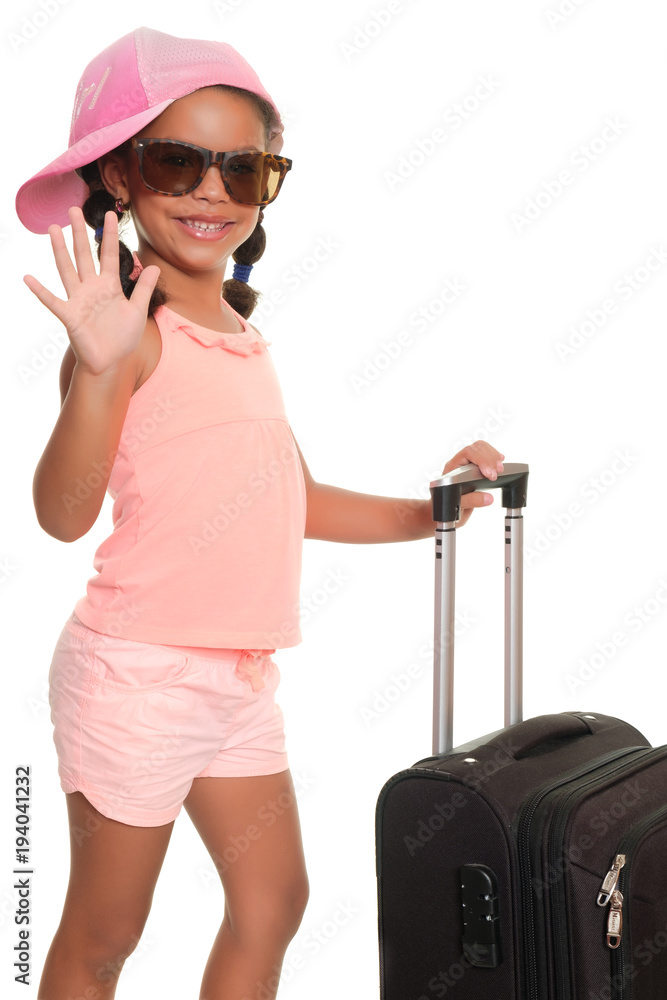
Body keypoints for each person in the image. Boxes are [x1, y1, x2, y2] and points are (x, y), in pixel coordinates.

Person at [16, 26, 505, 1000]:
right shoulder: (127, 336)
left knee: (273, 901)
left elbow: (294, 497)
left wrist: (433, 512)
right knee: (106, 932)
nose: (211, 192)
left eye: (242, 170)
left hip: (235, 678)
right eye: (177, 162)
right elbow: (62, 516)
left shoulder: (237, 332)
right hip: (137, 677)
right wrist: (97, 374)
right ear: (117, 174)